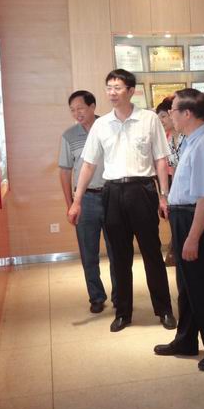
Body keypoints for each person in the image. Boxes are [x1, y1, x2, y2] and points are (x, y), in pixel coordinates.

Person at [67, 69, 177, 333]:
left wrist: (163, 195)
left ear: (130, 91)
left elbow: (160, 159)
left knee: (151, 252)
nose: (112, 93)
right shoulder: (102, 125)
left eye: (117, 88)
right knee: (119, 257)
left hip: (142, 190)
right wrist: (76, 201)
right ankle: (123, 312)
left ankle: (164, 309)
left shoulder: (149, 119)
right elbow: (88, 165)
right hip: (113, 192)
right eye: (109, 88)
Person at [153, 88, 204, 372]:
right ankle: (186, 339)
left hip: (199, 220)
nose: (170, 115)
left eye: (173, 110)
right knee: (187, 286)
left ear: (187, 113)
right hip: (185, 217)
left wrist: (192, 237)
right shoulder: (190, 141)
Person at [59, 90, 117, 314]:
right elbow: (65, 172)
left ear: (92, 106)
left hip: (112, 196)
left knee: (117, 251)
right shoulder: (69, 136)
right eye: (72, 110)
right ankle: (96, 296)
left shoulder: (110, 127)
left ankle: (120, 296)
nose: (77, 113)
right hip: (85, 200)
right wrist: (70, 204)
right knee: (88, 253)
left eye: (80, 108)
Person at [156, 96, 185, 266]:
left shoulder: (186, 137)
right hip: (172, 184)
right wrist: (166, 195)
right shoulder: (166, 138)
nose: (161, 120)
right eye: (159, 117)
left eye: (163, 116)